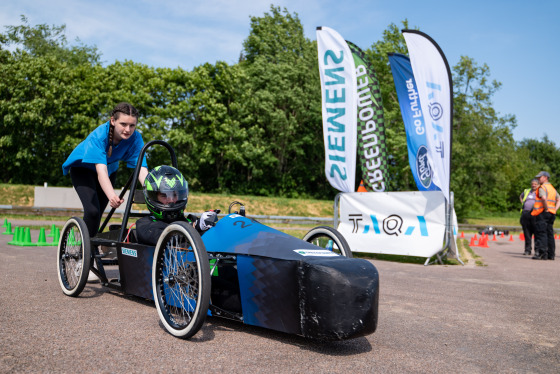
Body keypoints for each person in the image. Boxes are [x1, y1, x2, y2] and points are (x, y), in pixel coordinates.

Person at [62, 102, 149, 238]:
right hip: (82, 169)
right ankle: (84, 251)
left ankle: (89, 248)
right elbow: (100, 171)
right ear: (113, 121)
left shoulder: (136, 138)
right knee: (92, 211)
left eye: (132, 125)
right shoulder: (99, 136)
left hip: (109, 170)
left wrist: (151, 191)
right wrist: (112, 196)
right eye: (123, 124)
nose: (128, 129)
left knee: (98, 215)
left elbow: (141, 169)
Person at [135, 165, 218, 245]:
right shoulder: (144, 225)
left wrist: (210, 224)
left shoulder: (190, 221)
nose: (171, 200)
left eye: (174, 195)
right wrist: (195, 228)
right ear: (153, 197)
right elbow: (163, 238)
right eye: (164, 195)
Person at [531, 171, 560, 260]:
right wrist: (555, 209)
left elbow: (543, 198)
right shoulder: (552, 188)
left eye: (540, 177)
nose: (538, 179)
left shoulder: (542, 187)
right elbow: (559, 199)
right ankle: (551, 254)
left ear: (545, 177)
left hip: (543, 212)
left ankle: (542, 253)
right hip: (551, 213)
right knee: (550, 233)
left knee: (541, 233)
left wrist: (546, 208)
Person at [519, 179, 539, 255]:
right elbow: (521, 196)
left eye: (535, 184)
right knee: (527, 233)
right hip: (525, 213)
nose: (533, 185)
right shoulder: (527, 191)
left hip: (535, 214)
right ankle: (527, 250)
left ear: (538, 185)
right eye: (532, 184)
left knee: (537, 233)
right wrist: (523, 204)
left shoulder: (540, 191)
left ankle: (537, 250)